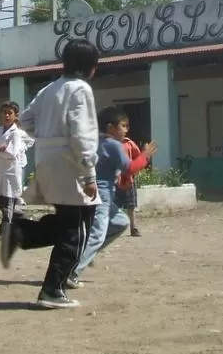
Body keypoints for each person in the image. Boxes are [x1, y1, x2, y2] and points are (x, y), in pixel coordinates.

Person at [0, 38, 101, 309]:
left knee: (76, 221)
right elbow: (83, 133)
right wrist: (89, 173)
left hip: (47, 158)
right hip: (70, 162)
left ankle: (22, 232)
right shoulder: (81, 90)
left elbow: (26, 120)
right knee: (75, 231)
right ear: (90, 67)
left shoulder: (49, 89)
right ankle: (52, 288)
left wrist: (46, 139)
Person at [66, 107, 157, 288]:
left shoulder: (94, 142)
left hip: (93, 193)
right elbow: (129, 168)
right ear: (110, 127)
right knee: (98, 234)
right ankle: (72, 271)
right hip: (101, 195)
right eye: (123, 126)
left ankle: (85, 255)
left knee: (121, 222)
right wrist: (145, 156)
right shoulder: (113, 144)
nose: (126, 130)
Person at [0, 101, 28, 240]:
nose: (6, 115)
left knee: (8, 201)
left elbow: (12, 152)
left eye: (9, 113)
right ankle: (20, 217)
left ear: (15, 115)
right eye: (4, 112)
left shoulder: (16, 133)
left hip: (11, 169)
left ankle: (5, 230)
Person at [116, 132, 144, 237]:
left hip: (128, 178)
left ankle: (133, 228)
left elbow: (138, 157)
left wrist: (135, 171)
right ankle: (114, 227)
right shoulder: (110, 143)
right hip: (115, 180)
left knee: (131, 205)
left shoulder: (129, 143)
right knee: (114, 205)